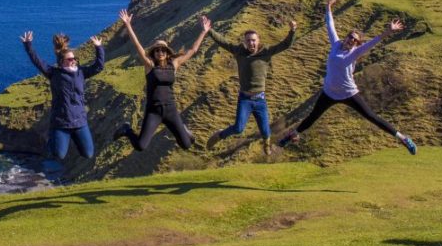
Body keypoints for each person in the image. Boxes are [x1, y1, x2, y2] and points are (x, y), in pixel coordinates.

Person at [278, 0, 416, 154]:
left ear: (357, 44)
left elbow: (373, 42)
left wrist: (388, 32)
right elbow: (330, 25)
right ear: (346, 37)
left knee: (371, 116)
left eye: (355, 40)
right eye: (350, 37)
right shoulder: (335, 45)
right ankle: (291, 136)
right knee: (312, 117)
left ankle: (403, 138)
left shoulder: (355, 53)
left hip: (348, 93)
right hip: (329, 92)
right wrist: (328, 7)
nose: (352, 40)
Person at [113, 10, 211, 151]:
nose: (160, 52)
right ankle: (127, 129)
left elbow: (193, 50)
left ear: (167, 52)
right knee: (141, 146)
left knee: (187, 145)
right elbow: (138, 46)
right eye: (157, 50)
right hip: (153, 111)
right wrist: (128, 25)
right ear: (154, 52)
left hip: (171, 109)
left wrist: (203, 31)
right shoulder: (150, 65)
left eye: (163, 50)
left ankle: (184, 131)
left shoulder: (174, 64)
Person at [205, 19, 297, 156]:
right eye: (248, 40)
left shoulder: (266, 52)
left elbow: (285, 45)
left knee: (266, 132)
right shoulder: (239, 51)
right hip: (245, 99)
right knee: (238, 128)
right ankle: (219, 135)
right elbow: (223, 42)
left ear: (258, 41)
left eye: (253, 40)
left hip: (260, 100)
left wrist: (292, 31)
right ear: (244, 42)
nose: (251, 43)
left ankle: (267, 146)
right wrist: (209, 31)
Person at [20, 31, 105, 160]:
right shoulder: (54, 73)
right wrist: (28, 45)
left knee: (88, 154)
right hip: (61, 123)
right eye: (70, 59)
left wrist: (98, 48)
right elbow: (37, 61)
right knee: (59, 154)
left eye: (74, 59)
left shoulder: (81, 72)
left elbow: (99, 67)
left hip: (79, 121)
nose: (73, 61)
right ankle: (53, 139)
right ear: (62, 62)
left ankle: (72, 140)